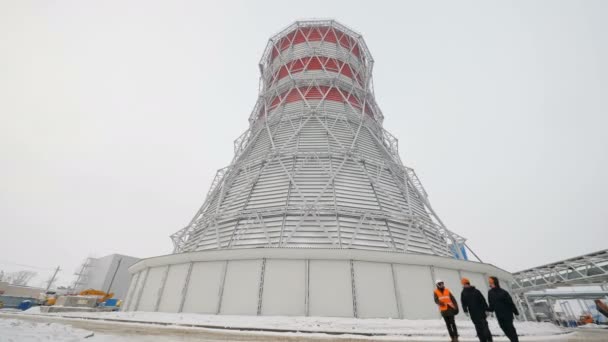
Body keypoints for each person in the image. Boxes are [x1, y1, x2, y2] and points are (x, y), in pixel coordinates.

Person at [460, 277, 493, 342]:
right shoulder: (463, 293)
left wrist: (486, 309)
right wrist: (465, 310)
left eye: (466, 284)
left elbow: (483, 300)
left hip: (481, 312)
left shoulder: (476, 291)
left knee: (485, 327)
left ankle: (489, 340)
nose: (465, 285)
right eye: (464, 284)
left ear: (468, 284)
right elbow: (463, 302)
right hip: (473, 313)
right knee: (478, 328)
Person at [487, 276, 519, 342]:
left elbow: (510, 302)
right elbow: (491, 305)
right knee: (504, 329)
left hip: (507, 314)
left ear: (495, 283)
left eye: (491, 283)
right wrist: (486, 309)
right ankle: (512, 340)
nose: (490, 284)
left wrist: (515, 311)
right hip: (499, 315)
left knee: (510, 329)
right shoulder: (490, 293)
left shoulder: (503, 292)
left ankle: (515, 340)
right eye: (490, 283)